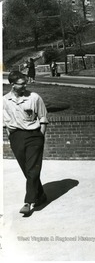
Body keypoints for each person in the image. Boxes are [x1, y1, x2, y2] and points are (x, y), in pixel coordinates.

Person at [3, 71, 48, 215]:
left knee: (32, 169)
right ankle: (40, 195)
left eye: (25, 83)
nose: (25, 86)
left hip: (34, 136)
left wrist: (40, 135)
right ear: (12, 85)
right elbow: (5, 122)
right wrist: (11, 136)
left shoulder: (34, 98)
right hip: (16, 137)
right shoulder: (4, 101)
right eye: (22, 84)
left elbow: (43, 117)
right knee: (27, 169)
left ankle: (28, 202)